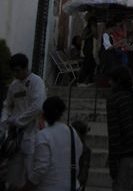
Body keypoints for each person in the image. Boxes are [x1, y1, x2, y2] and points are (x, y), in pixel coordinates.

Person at [0, 53, 46, 189]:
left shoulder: (37, 82)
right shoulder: (14, 85)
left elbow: (37, 106)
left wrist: (17, 120)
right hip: (15, 136)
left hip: (32, 132)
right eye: (13, 71)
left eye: (18, 70)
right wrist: (4, 124)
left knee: (31, 170)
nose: (16, 74)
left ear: (25, 68)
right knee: (14, 173)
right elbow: (7, 106)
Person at [18, 96, 83, 191]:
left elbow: (41, 168)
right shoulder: (72, 131)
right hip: (72, 186)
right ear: (61, 114)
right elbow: (79, 152)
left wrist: (27, 187)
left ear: (43, 114)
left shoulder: (43, 135)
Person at [71, 120, 91, 191]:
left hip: (77, 184)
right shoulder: (72, 146)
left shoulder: (84, 149)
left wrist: (79, 184)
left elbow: (84, 171)